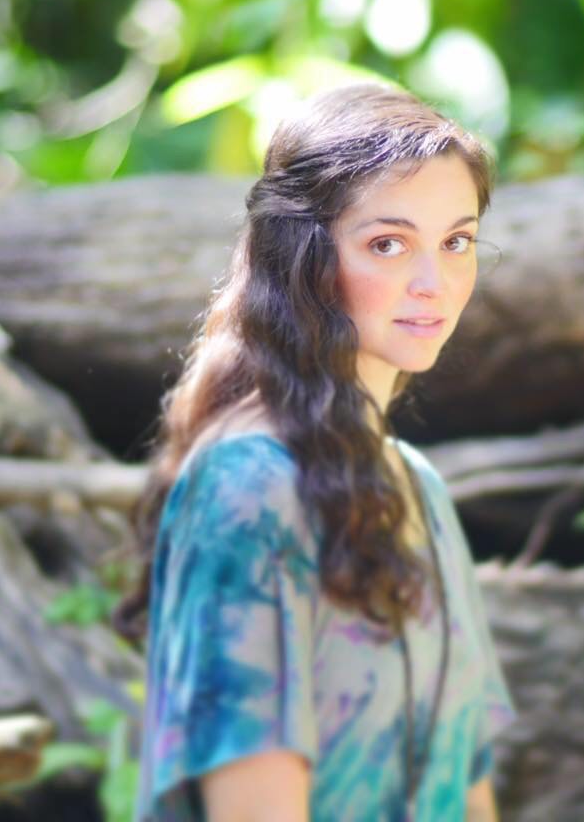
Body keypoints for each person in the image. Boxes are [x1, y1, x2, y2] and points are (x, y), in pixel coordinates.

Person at [113, 83, 517, 822]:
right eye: (388, 244)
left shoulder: (420, 489)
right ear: (304, 258)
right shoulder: (247, 487)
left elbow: (469, 784)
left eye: (456, 241)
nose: (434, 283)